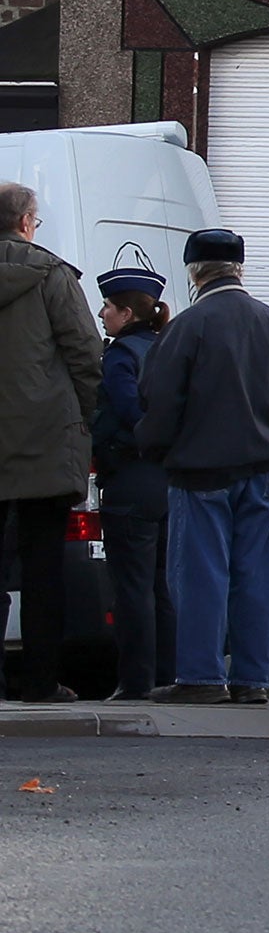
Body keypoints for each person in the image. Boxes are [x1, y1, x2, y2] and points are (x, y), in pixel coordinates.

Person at [136, 228, 269, 705]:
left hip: (202, 471)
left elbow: (160, 401)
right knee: (254, 574)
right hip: (265, 469)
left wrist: (152, 448)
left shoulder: (188, 326)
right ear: (239, 269)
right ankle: (253, 678)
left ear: (194, 272)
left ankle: (201, 676)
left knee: (200, 574)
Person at [0, 182, 102, 703]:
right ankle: (40, 681)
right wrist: (86, 421)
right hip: (44, 444)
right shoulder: (52, 275)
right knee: (43, 569)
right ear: (24, 223)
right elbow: (86, 354)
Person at [91, 263, 176, 700]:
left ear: (126, 313)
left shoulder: (121, 355)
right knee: (163, 585)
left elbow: (127, 411)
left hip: (130, 481)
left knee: (132, 587)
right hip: (168, 482)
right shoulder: (165, 347)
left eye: (108, 306)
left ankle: (136, 682)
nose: (102, 313)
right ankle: (167, 675)